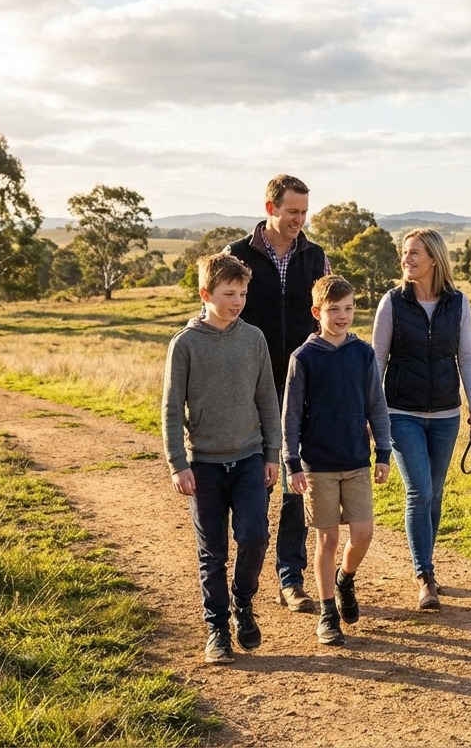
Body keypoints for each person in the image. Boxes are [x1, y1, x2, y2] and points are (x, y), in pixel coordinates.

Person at [162, 253, 281, 664]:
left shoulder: (254, 339)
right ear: (206, 293)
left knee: (255, 536)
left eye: (243, 293)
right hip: (204, 466)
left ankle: (242, 604)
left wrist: (272, 453)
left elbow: (267, 399)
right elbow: (171, 409)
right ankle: (216, 629)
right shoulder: (186, 344)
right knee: (212, 552)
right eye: (229, 294)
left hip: (250, 459)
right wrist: (178, 463)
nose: (237, 302)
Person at [224, 174, 330, 614]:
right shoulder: (237, 254)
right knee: (255, 486)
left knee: (294, 484)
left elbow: (326, 313)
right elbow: (219, 315)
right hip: (251, 388)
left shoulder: (314, 256)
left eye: (305, 213)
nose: (299, 221)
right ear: (271, 209)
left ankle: (291, 579)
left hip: (300, 387)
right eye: (292, 212)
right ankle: (243, 578)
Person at [372, 228, 471, 610]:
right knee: (419, 491)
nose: (407, 259)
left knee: (435, 495)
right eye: (404, 253)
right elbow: (377, 361)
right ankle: (425, 575)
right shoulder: (392, 303)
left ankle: (427, 565)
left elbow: (466, 357)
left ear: (434, 259)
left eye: (414, 253)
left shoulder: (458, 303)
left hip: (447, 416)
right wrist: (371, 414)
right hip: (401, 412)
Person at [282, 275, 391, 645]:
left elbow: (376, 406)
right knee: (327, 539)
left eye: (348, 309)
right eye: (334, 310)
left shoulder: (363, 354)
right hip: (318, 465)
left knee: (363, 533)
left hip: (358, 460)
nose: (342, 316)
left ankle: (345, 579)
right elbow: (291, 415)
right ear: (317, 313)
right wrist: (292, 463)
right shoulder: (304, 358)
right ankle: (328, 614)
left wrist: (384, 453)